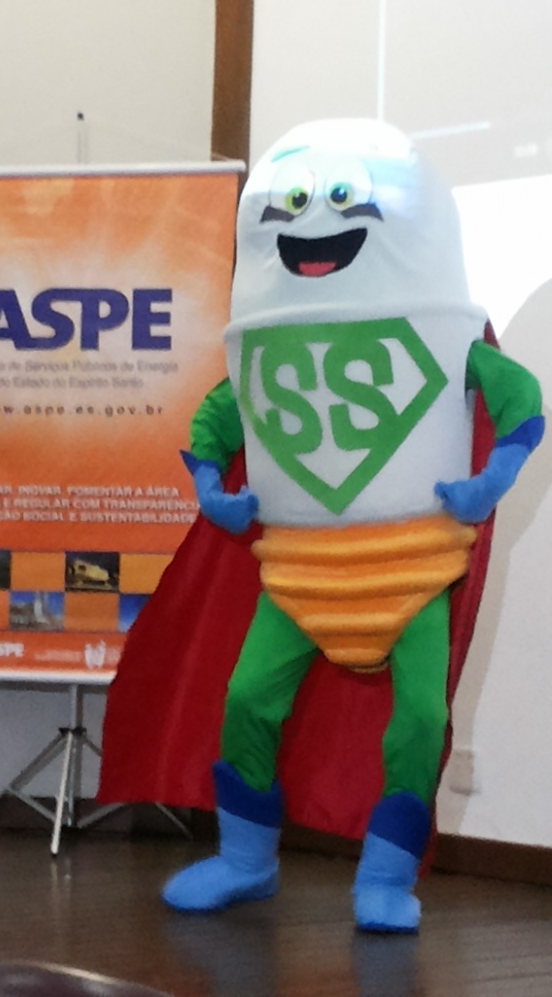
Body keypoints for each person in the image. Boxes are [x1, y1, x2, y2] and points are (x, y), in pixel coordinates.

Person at [101, 119, 544, 933]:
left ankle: (386, 875)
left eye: (340, 199)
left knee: (420, 719)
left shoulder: (443, 339)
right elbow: (220, 417)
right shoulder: (267, 350)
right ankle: (245, 860)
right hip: (297, 572)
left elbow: (518, 400)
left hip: (412, 569)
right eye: (298, 201)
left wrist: (495, 476)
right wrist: (209, 484)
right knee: (246, 700)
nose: (313, 221)